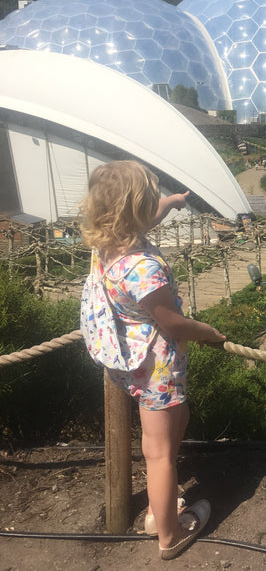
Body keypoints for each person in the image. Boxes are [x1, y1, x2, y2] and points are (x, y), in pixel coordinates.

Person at [79, 161, 226, 561]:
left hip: (126, 359)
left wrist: (173, 202)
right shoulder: (143, 268)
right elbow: (173, 324)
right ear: (136, 211)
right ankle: (168, 533)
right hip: (157, 365)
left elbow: (143, 218)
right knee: (159, 454)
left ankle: (159, 510)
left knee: (172, 428)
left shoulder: (108, 242)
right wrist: (209, 333)